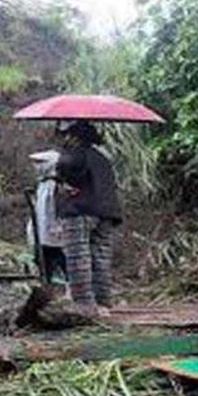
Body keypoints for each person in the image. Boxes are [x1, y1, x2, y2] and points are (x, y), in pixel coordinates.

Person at [55, 120, 122, 313]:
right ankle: (103, 303)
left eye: (68, 135)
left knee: (79, 259)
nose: (65, 139)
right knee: (101, 258)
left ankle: (84, 305)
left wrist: (61, 177)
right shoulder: (102, 158)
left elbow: (65, 166)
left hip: (80, 211)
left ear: (76, 137)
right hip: (106, 213)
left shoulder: (75, 154)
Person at [27, 150, 68, 284]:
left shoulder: (55, 185)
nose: (36, 166)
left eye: (40, 163)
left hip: (52, 232)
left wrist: (56, 227)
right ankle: (47, 286)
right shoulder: (43, 184)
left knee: (58, 258)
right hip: (43, 232)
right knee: (44, 261)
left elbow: (55, 208)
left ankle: (71, 287)